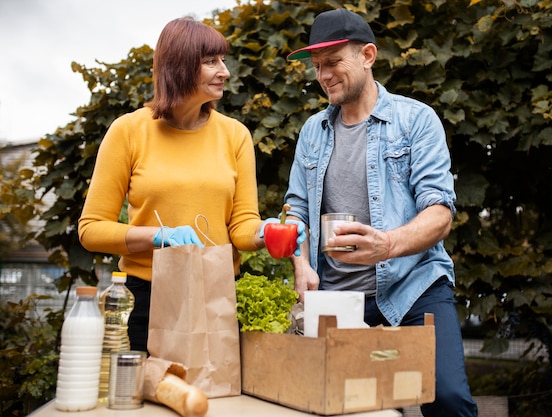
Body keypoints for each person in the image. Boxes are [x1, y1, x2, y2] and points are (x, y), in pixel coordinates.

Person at [283, 9, 478, 417]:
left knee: (447, 398)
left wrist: (387, 245)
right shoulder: (311, 133)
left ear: (368, 55)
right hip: (338, 297)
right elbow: (295, 209)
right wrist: (300, 263)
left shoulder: (416, 120)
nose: (324, 75)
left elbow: (440, 212)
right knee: (328, 403)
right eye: (318, 67)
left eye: (334, 62)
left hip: (413, 287)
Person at [78, 17, 303, 353]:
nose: (224, 71)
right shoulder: (128, 131)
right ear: (179, 66)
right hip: (147, 299)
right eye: (211, 62)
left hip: (216, 296)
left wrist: (265, 233)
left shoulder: (235, 135)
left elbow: (241, 226)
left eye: (222, 60)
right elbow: (91, 230)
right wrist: (158, 236)